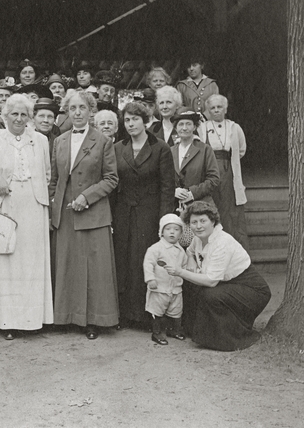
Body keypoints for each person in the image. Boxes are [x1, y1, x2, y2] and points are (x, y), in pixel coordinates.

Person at [50, 90, 119, 340]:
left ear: (91, 112)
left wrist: (86, 197)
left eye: (82, 108)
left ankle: (93, 321)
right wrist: (52, 207)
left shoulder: (103, 141)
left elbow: (111, 179)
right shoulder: (60, 141)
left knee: (92, 268)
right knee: (67, 265)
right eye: (72, 109)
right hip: (65, 215)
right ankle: (66, 317)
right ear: (67, 112)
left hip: (93, 214)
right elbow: (55, 180)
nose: (77, 113)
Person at [0, 94, 54, 340]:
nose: (19, 118)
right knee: (7, 261)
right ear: (5, 116)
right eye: (14, 114)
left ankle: (32, 319)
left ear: (30, 117)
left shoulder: (41, 140)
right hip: (5, 204)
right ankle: (7, 321)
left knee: (32, 262)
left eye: (24, 114)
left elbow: (47, 174)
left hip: (34, 205)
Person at [163, 202, 270, 351]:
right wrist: (192, 262)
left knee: (210, 294)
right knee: (192, 285)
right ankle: (196, 331)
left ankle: (232, 338)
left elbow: (211, 281)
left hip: (253, 290)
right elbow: (190, 252)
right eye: (194, 222)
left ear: (213, 221)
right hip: (229, 284)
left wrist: (181, 271)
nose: (198, 226)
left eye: (203, 221)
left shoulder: (222, 242)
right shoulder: (197, 238)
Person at [113, 101, 175, 327]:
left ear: (145, 120)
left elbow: (168, 187)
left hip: (150, 213)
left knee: (145, 261)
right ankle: (124, 315)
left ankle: (145, 315)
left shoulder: (160, 148)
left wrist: (164, 221)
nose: (130, 124)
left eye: (135, 119)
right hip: (123, 212)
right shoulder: (118, 148)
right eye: (127, 120)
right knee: (123, 261)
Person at [198, 94, 249, 249]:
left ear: (225, 109)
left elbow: (241, 150)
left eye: (219, 107)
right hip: (210, 171)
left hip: (229, 172)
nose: (216, 110)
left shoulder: (234, 127)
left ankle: (234, 251)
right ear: (208, 110)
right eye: (212, 108)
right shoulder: (202, 128)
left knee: (230, 211)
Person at [143, 214, 188, 345]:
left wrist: (186, 275)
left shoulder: (181, 251)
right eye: (168, 229)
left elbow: (184, 267)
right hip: (159, 288)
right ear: (162, 232)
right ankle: (156, 332)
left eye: (176, 229)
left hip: (176, 288)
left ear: (181, 233)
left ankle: (174, 330)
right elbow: (148, 264)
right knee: (157, 311)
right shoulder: (155, 249)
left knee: (176, 310)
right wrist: (150, 279)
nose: (172, 232)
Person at [170, 108, 220, 209]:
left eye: (188, 124)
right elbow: (162, 179)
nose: (184, 128)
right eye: (180, 124)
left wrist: (192, 193)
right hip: (174, 206)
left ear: (194, 127)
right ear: (175, 128)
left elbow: (214, 179)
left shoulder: (205, 149)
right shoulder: (169, 151)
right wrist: (173, 191)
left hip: (200, 205)